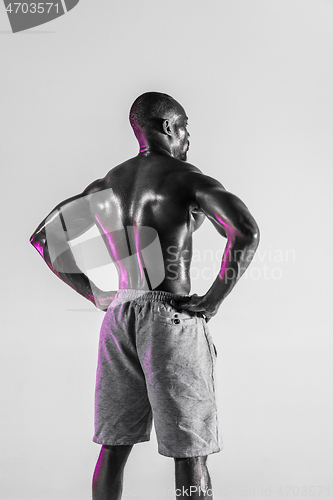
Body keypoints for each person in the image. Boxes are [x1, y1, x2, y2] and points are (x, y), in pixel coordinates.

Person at [30, 92, 260, 500]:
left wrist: (95, 294)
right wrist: (214, 298)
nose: (189, 136)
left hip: (119, 317)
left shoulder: (109, 184)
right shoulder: (187, 178)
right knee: (190, 449)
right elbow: (246, 230)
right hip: (169, 320)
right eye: (186, 125)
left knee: (114, 447)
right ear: (169, 126)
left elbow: (46, 238)